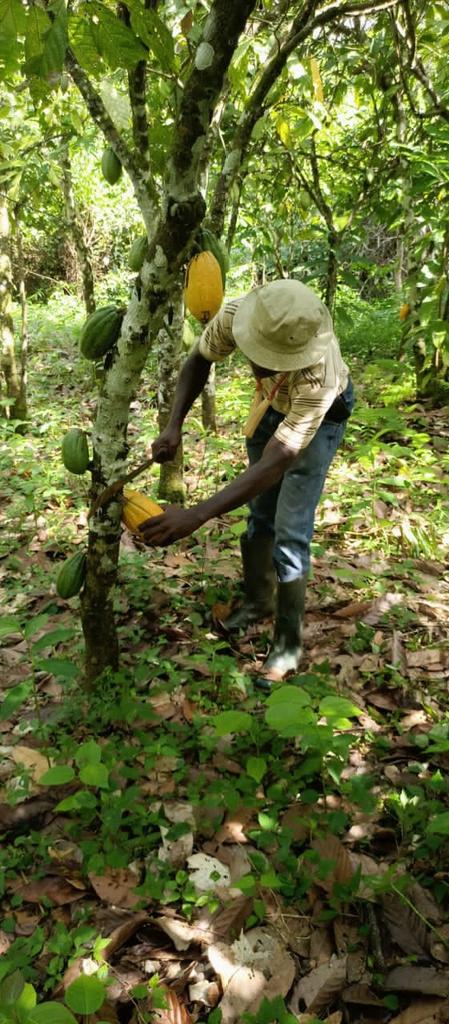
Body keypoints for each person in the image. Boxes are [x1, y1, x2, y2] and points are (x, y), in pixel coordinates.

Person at [141, 278, 354, 684]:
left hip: (318, 420)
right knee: (261, 516)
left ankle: (288, 648)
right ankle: (259, 601)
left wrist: (198, 515)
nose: (261, 362)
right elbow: (199, 359)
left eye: (275, 359)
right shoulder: (239, 314)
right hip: (272, 404)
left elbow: (278, 462)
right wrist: (173, 426)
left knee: (291, 536)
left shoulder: (318, 375)